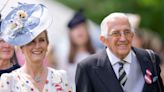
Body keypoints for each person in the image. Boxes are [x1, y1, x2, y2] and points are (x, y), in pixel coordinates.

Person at [75, 12, 164, 92]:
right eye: (116, 33)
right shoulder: (87, 67)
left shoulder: (150, 59)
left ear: (132, 35)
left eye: (127, 32)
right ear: (103, 40)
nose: (123, 38)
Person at [0, 3, 69, 92]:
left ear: (47, 44)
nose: (37, 46)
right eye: (31, 42)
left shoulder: (61, 77)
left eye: (42, 40)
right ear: (22, 47)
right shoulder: (9, 80)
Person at [66, 9, 95, 91]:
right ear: (70, 34)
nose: (80, 31)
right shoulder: (63, 57)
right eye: (76, 28)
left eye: (82, 27)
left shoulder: (98, 56)